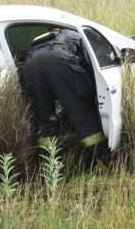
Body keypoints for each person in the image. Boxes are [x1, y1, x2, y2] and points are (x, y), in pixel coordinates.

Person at [20, 28, 107, 166]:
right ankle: (102, 160)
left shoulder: (39, 43)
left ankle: (50, 165)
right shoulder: (75, 34)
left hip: (30, 65)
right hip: (58, 60)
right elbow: (89, 62)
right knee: (81, 112)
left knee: (44, 119)